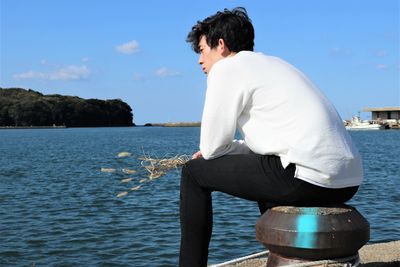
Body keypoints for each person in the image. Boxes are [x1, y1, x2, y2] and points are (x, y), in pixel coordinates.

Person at [180, 7, 363, 267]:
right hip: (347, 182)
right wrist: (229, 150)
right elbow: (266, 147)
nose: (200, 60)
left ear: (220, 45)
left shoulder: (227, 69)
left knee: (193, 173)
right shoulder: (275, 64)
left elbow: (210, 149)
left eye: (201, 50)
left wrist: (210, 156)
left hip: (306, 178)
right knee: (266, 168)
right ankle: (288, 256)